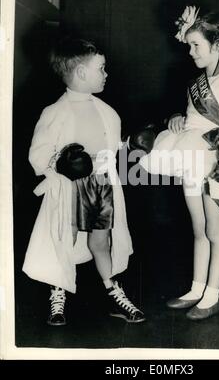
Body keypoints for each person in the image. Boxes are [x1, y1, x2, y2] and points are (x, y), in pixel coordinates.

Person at [140, 6, 219, 320]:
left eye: (196, 45)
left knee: (215, 230)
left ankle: (212, 296)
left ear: (218, 46)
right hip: (190, 156)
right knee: (198, 228)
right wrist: (176, 118)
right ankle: (196, 289)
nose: (191, 51)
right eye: (190, 45)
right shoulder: (195, 82)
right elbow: (191, 118)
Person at [22, 37, 145, 325]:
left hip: (101, 184)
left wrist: (133, 145)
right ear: (81, 73)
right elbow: (38, 155)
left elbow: (112, 148)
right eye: (101, 68)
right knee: (65, 239)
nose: (106, 74)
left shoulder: (106, 111)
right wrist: (61, 162)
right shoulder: (54, 112)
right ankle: (58, 294)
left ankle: (113, 292)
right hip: (69, 187)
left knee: (101, 242)